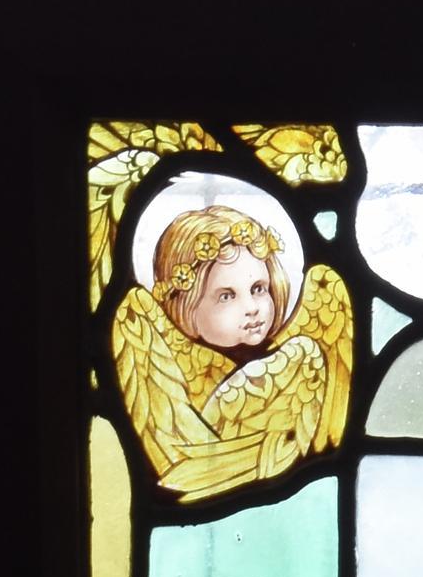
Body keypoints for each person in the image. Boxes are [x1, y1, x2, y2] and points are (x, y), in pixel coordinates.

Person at [110, 202, 352, 500]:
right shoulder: (158, 348)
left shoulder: (294, 351)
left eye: (259, 289)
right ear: (185, 306)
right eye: (226, 296)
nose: (251, 308)